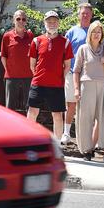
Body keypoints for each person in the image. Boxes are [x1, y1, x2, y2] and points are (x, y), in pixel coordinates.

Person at [73, 21, 104, 163]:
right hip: (86, 85)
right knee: (86, 119)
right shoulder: (83, 49)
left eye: (99, 31)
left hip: (103, 86)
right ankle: (87, 150)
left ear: (102, 34)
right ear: (90, 33)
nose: (97, 34)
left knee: (103, 118)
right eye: (94, 31)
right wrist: (76, 89)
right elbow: (76, 71)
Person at [26, 11, 74, 140]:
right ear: (44, 23)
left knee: (57, 115)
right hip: (38, 84)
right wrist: (39, 76)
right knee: (32, 112)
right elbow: (32, 65)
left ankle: (57, 146)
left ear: (58, 23)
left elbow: (68, 65)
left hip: (56, 85)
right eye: (49, 21)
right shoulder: (37, 40)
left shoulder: (65, 42)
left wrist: (59, 77)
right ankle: (28, 141)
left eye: (54, 21)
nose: (52, 24)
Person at [62, 3, 93, 145]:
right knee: (71, 105)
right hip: (72, 72)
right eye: (83, 13)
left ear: (91, 15)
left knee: (87, 107)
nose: (85, 15)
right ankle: (66, 134)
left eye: (87, 13)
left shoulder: (95, 31)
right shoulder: (72, 31)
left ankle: (87, 137)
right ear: (78, 15)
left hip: (89, 76)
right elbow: (63, 51)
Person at [0, 10, 34, 112]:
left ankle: (29, 127)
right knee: (10, 107)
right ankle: (8, 127)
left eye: (23, 19)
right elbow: (3, 56)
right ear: (14, 21)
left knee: (30, 106)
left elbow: (34, 56)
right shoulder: (7, 36)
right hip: (11, 77)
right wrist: (9, 70)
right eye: (18, 19)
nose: (21, 21)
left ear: (26, 21)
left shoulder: (30, 36)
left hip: (28, 76)